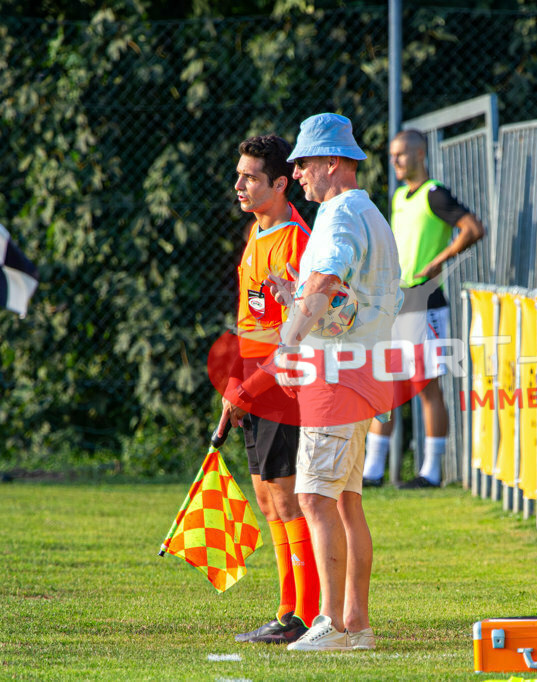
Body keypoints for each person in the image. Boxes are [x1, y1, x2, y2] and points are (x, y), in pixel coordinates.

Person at [236, 113, 403, 652]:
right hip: (361, 373)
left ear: (332, 163)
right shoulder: (368, 211)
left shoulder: (339, 213)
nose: (300, 173)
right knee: (346, 502)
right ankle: (355, 623)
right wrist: (296, 298)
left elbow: (329, 279)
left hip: (335, 377)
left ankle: (328, 621)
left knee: (313, 496)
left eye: (304, 163)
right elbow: (348, 302)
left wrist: (288, 339)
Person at [216, 134, 317, 645]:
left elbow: (294, 335)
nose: (239, 185)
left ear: (279, 184)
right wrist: (235, 383)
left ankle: (305, 615)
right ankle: (286, 610)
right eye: (239, 175)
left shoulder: (295, 241)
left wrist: (250, 387)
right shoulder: (257, 234)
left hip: (284, 389)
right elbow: (249, 324)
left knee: (288, 498)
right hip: (256, 387)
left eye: (250, 177)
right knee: (267, 496)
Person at [362, 128, 485, 489]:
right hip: (396, 299)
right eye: (392, 155)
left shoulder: (434, 193)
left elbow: (472, 228)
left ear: (419, 154)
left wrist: (438, 262)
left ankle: (431, 472)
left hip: (425, 299)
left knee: (426, 385)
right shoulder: (400, 196)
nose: (395, 161)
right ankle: (372, 471)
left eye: (401, 154)